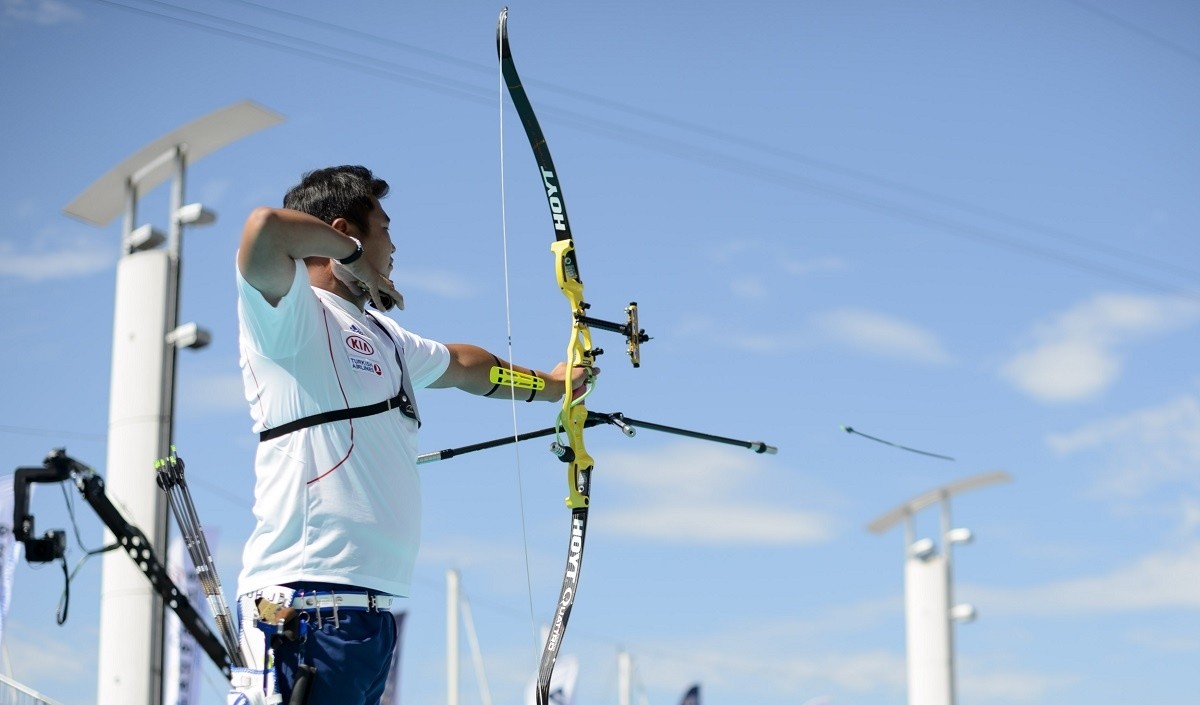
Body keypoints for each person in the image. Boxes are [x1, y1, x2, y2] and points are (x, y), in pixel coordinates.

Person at [230, 165, 587, 705]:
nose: (394, 247)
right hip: (304, 608)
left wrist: (552, 386)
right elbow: (265, 229)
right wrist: (350, 256)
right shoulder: (290, 312)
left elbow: (467, 366)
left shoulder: (384, 335)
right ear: (346, 232)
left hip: (368, 614)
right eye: (385, 229)